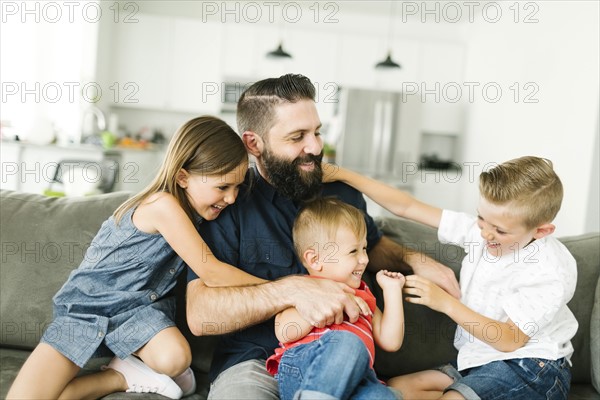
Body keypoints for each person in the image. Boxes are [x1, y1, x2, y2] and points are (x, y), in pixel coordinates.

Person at [185, 73, 460, 399]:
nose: (315, 147)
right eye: (297, 136)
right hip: (254, 361)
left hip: (339, 360)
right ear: (253, 143)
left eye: (317, 132)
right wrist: (293, 291)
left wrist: (415, 259)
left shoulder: (341, 193)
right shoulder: (227, 203)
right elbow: (200, 316)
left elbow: (373, 245)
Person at [7, 116, 266, 400]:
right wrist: (281, 287)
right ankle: (118, 376)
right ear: (182, 177)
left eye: (237, 187)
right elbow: (213, 273)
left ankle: (119, 375)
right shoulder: (162, 206)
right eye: (222, 187)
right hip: (86, 310)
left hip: (135, 312)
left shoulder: (200, 213)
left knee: (175, 358)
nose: (231, 198)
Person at [329, 156, 577, 399]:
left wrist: (445, 303)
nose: (486, 234)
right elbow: (407, 206)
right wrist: (341, 173)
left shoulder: (549, 269)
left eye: (500, 230)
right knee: (397, 388)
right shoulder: (480, 233)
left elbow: (510, 340)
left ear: (541, 231)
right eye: (481, 218)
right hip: (480, 361)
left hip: (533, 367)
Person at [266, 198, 405, 400]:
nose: (364, 259)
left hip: (358, 378)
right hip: (305, 368)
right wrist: (332, 303)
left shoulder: (364, 296)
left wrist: (392, 291)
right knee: (348, 342)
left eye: (364, 248)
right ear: (315, 260)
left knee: (383, 396)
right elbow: (284, 331)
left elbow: (390, 341)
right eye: (353, 251)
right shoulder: (304, 289)